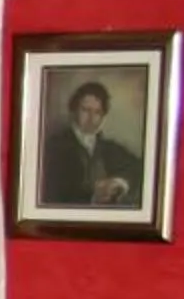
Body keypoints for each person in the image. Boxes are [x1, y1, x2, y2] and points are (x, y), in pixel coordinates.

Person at [40, 78, 145, 208]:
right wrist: (93, 196)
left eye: (97, 112)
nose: (91, 118)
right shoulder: (54, 147)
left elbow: (139, 168)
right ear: (74, 110)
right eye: (85, 110)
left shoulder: (109, 148)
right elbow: (51, 194)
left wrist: (118, 183)